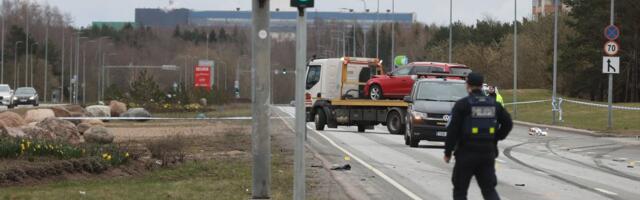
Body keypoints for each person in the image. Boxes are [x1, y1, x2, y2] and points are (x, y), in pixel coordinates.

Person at [444, 72, 513, 200]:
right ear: (482, 86)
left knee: (460, 190)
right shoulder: (494, 104)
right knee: (489, 190)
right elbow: (508, 123)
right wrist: (496, 137)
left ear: (468, 85)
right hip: (487, 153)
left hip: (465, 153)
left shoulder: (462, 105)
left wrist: (448, 152)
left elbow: (453, 130)